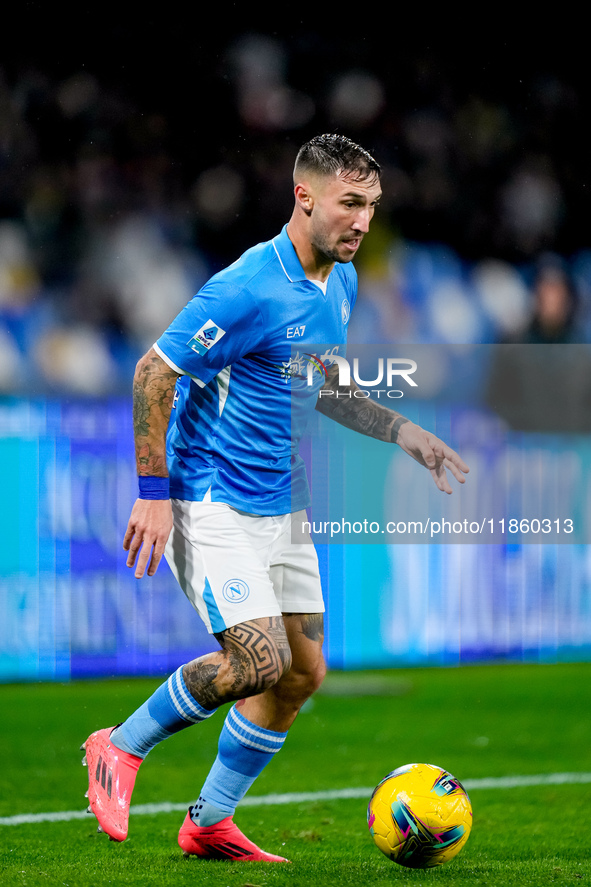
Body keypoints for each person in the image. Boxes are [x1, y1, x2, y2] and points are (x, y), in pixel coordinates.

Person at [82, 134, 469, 862]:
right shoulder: (247, 286)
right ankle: (119, 745)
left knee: (301, 671)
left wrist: (404, 432)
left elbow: (329, 390)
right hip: (209, 500)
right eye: (349, 204)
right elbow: (151, 374)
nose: (361, 222)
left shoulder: (342, 283)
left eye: (371, 207)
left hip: (279, 508)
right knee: (255, 660)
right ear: (304, 197)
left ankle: (208, 820)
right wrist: (154, 496)